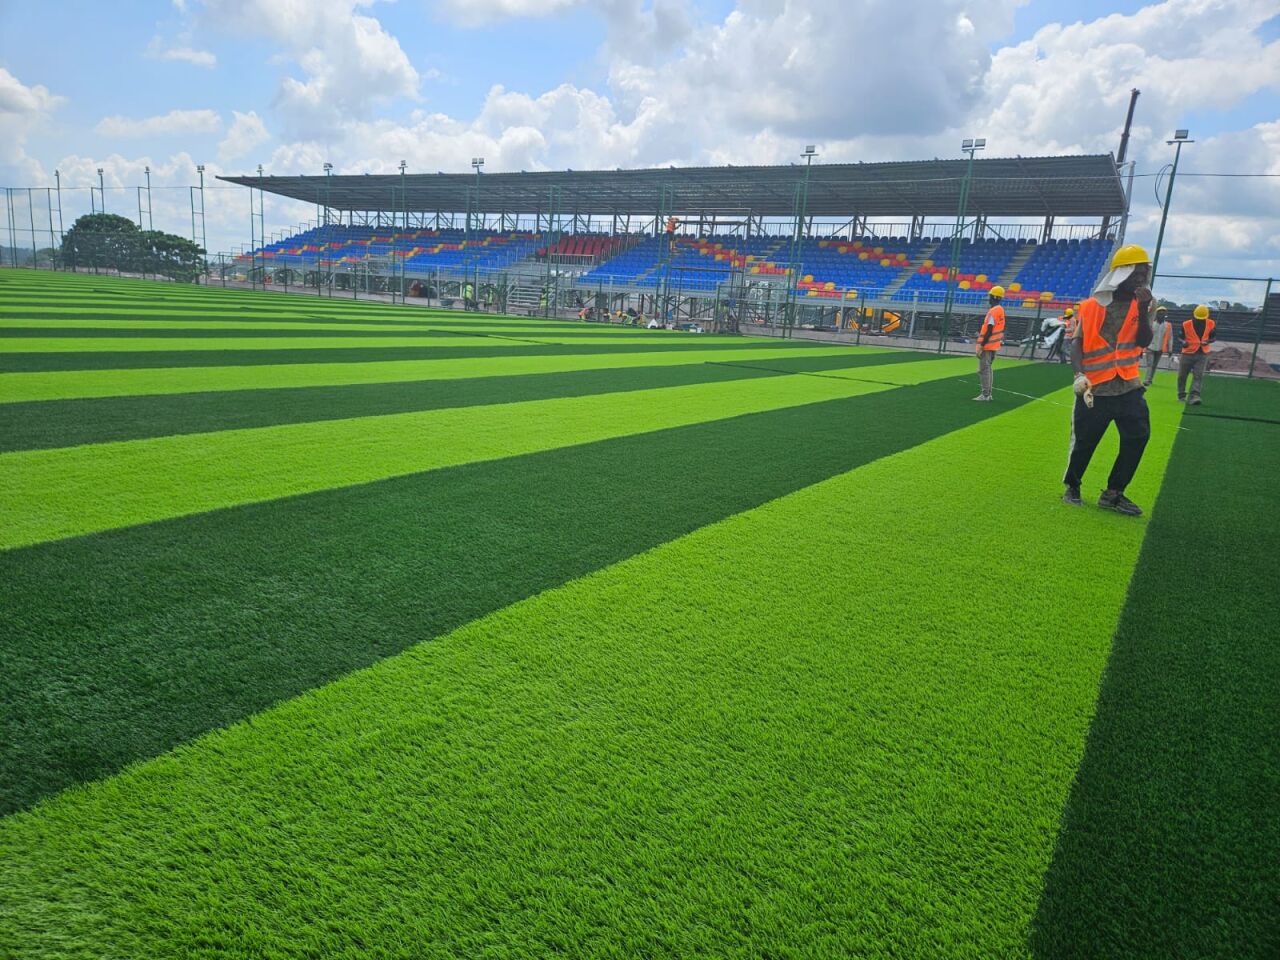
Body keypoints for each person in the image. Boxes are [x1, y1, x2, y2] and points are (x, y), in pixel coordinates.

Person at [1062, 244, 1155, 516]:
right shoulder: (1091, 306)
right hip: (1095, 388)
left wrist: (1143, 308)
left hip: (1128, 385)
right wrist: (1079, 373)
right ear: (1120, 275)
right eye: (1135, 275)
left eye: (1143, 275)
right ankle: (1073, 486)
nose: (1140, 280)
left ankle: (1114, 492)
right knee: (1085, 441)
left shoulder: (1146, 304)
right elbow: (1077, 343)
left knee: (1138, 436)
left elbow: (1144, 341)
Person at [973, 285, 1006, 401]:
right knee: (987, 369)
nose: (989, 298)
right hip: (994, 345)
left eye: (990, 296)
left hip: (987, 345)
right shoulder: (1000, 310)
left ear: (995, 297)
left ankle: (985, 394)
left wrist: (981, 346)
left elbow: (989, 329)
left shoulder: (993, 311)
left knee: (984, 370)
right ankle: (988, 394)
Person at [1177, 304, 1215, 404]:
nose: (1200, 320)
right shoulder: (1186, 324)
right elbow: (1180, 337)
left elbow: (1213, 337)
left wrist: (1208, 341)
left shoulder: (1211, 324)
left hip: (1202, 354)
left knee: (1198, 375)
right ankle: (1181, 395)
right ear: (1194, 315)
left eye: (1202, 319)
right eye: (1198, 318)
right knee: (1182, 375)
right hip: (1187, 353)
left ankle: (1195, 396)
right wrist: (1183, 342)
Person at [1141, 305, 1172, 385]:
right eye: (1160, 313)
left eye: (1163, 314)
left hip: (1160, 348)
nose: (1161, 315)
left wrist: (1170, 349)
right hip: (1150, 347)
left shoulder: (1168, 325)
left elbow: (1170, 337)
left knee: (1154, 365)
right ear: (1156, 314)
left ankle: (1150, 379)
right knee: (1150, 364)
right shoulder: (1152, 324)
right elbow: (1145, 335)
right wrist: (1142, 348)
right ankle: (1147, 380)